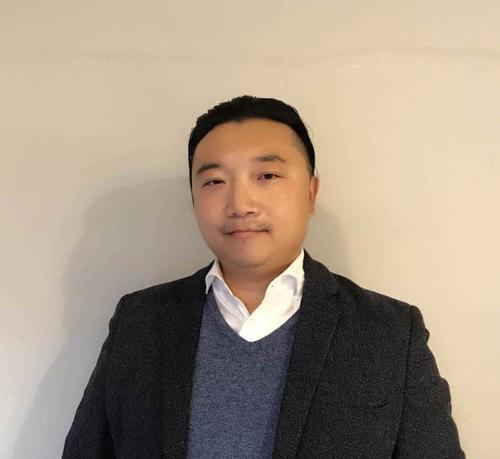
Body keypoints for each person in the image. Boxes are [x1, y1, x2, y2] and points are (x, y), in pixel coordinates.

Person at [63, 95, 465, 458]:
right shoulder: (140, 322)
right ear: (193, 199)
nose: (241, 203)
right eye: (215, 181)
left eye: (267, 176)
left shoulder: (389, 332)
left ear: (311, 192)